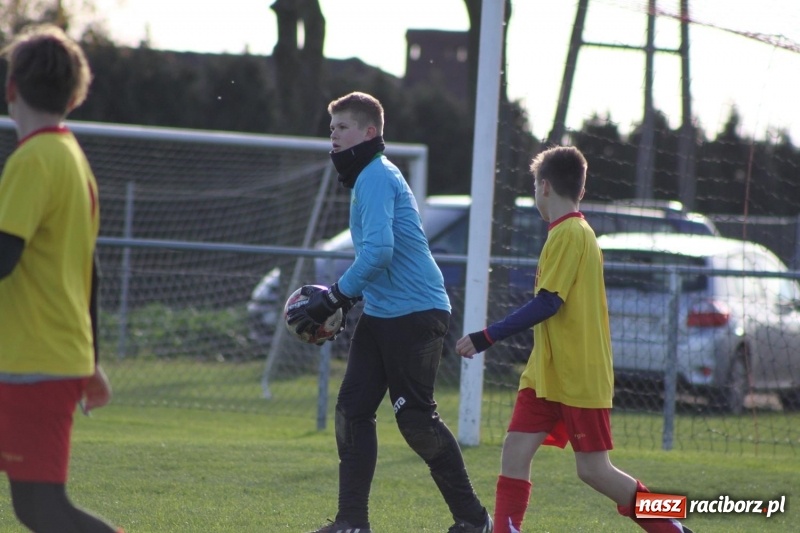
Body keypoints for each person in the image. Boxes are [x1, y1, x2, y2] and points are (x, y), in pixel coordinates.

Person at [456, 146, 693, 533]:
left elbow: (549, 302)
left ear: (544, 187)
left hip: (578, 374)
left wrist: (487, 336)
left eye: (535, 186)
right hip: (546, 375)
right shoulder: (567, 233)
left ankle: (672, 525)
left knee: (594, 470)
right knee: (514, 452)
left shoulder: (570, 233)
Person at [288, 91, 493, 533]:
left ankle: (474, 521)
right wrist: (347, 297)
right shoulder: (366, 176)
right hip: (384, 312)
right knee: (352, 411)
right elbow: (378, 257)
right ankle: (352, 523)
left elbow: (381, 251)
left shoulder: (376, 175)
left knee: (416, 420)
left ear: (370, 132)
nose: (334, 137)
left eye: (343, 128)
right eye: (332, 129)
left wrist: (337, 296)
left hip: (417, 312)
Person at [0, 24, 123, 533]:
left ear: (11, 89)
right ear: (75, 95)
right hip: (46, 357)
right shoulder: (72, 157)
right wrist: (89, 357)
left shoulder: (34, 159)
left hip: (30, 362)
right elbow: (88, 270)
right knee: (38, 508)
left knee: (43, 509)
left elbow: (3, 256)